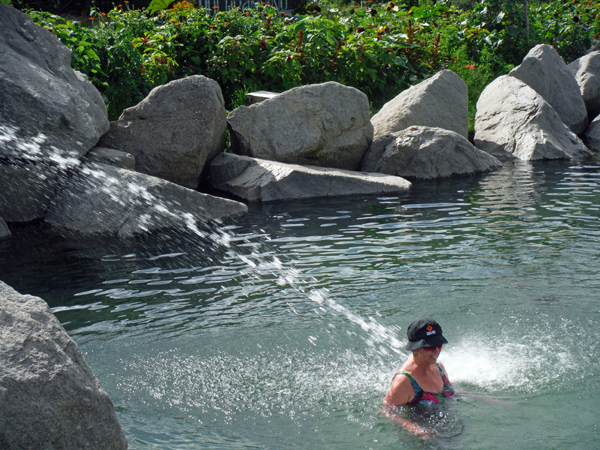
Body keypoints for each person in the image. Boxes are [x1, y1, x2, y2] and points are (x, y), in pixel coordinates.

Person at [382, 318, 454, 436]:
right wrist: (414, 428)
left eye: (438, 345)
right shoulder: (404, 381)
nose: (436, 350)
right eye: (429, 347)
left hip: (446, 430)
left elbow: (449, 393)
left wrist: (482, 398)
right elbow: (387, 411)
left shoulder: (439, 367)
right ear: (415, 349)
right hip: (423, 439)